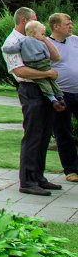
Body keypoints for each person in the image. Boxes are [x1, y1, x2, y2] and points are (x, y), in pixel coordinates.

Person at [4, 7, 63, 196]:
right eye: (35, 19)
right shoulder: (13, 42)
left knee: (45, 133)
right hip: (30, 90)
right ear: (23, 21)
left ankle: (39, 177)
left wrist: (43, 37)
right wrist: (47, 74)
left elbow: (55, 56)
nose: (39, 21)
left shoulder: (37, 37)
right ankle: (27, 181)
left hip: (45, 91)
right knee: (33, 134)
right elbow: (19, 71)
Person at [5, 21, 66, 110]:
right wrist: (47, 67)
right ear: (34, 33)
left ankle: (53, 99)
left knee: (43, 82)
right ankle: (59, 97)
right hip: (42, 64)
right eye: (42, 34)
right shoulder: (41, 42)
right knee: (50, 81)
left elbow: (14, 49)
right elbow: (48, 54)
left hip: (31, 64)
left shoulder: (21, 40)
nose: (43, 36)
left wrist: (4, 48)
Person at [48, 12, 78, 184]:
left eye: (71, 23)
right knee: (63, 131)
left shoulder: (75, 40)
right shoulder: (47, 44)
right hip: (61, 94)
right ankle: (72, 169)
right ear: (56, 26)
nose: (71, 26)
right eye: (67, 23)